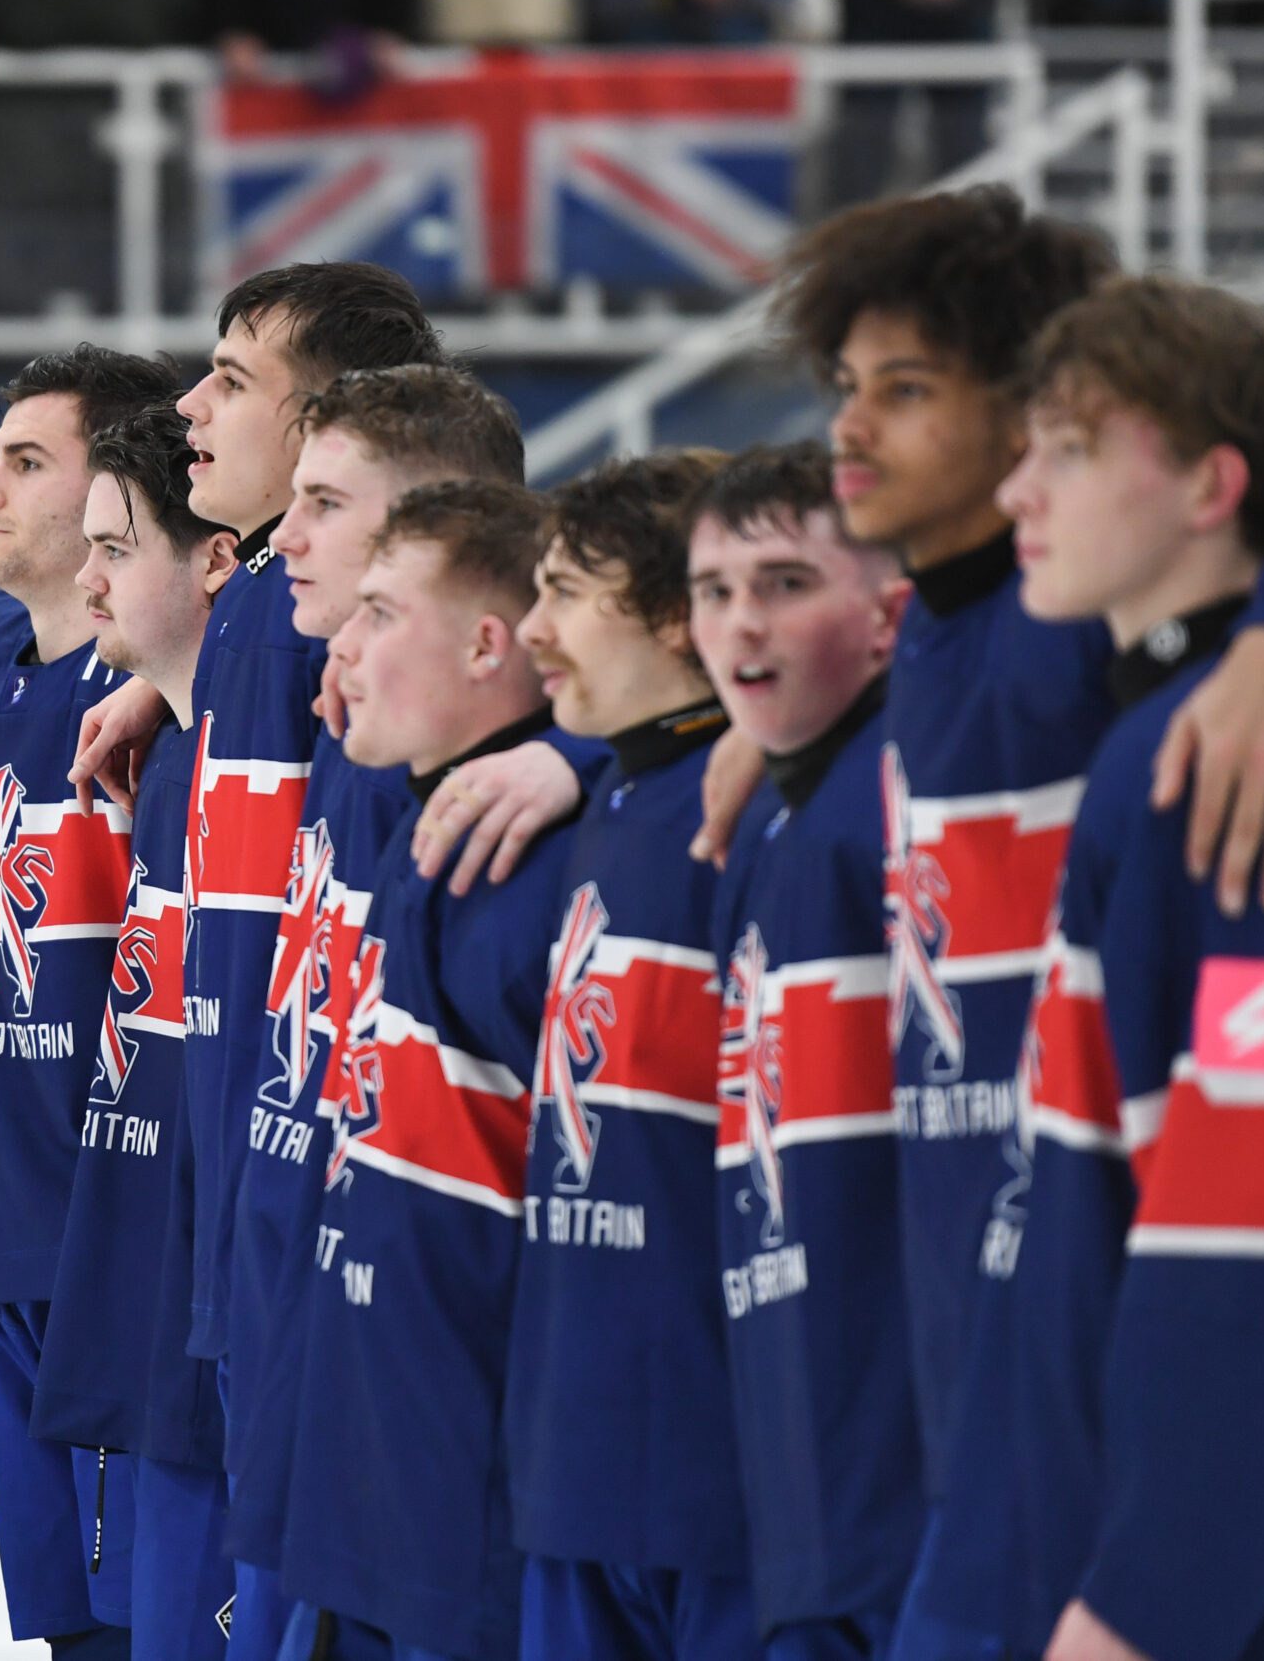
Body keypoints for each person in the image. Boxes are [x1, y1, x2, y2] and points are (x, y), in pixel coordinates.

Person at [713, 188, 1264, 1657]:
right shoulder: (937, 634)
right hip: (988, 1397)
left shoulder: (1145, 662)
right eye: (845, 387)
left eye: (908, 388)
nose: (854, 428)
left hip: (1157, 1434)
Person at [985, 276, 1264, 1661]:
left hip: (1263, 1595)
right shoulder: (1171, 728)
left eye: (1072, 448)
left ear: (1214, 483)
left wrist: (1142, 1608)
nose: (1019, 487)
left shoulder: (1233, 762)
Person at [229, 363, 550, 1661]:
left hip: (446, 1438)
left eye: (321, 502)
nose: (281, 536)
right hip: (320, 1369)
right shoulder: (354, 724)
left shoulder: (514, 799)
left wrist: (574, 750)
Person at [0, 345, 173, 1658]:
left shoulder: (178, 696)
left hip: (125, 1241)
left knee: (148, 1621)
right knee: (68, 1629)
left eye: (26, 461)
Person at [504, 454, 757, 1660]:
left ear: (673, 616)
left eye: (565, 593)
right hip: (578, 1459)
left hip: (718, 1487)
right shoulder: (606, 794)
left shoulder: (746, 819)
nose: (533, 630)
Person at [688, 443, 919, 1649]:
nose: (739, 623)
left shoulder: (909, 787)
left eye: (783, 583)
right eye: (714, 590)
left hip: (915, 1513)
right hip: (795, 1493)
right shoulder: (766, 816)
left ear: (892, 617)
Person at [33, 402, 239, 1661]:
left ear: (217, 559)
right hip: (136, 1302)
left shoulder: (283, 750)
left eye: (114, 546)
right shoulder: (161, 751)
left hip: (213, 1335)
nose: (83, 574)